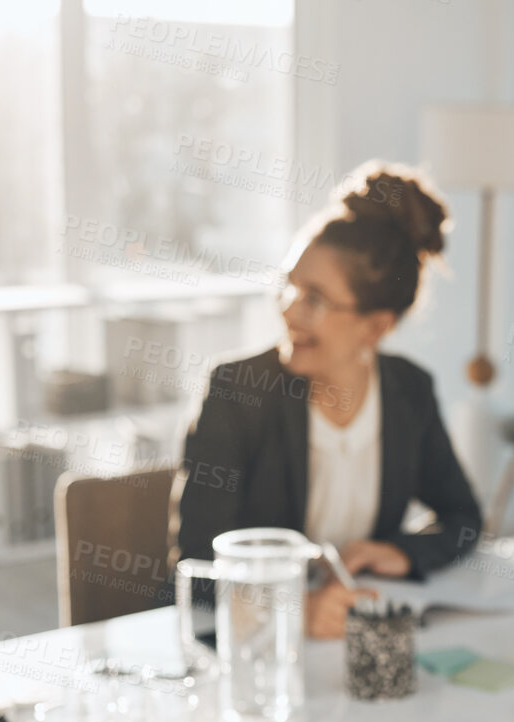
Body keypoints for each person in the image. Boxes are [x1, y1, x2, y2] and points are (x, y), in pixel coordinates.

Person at [171, 161, 484, 639]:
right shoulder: (238, 391)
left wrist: (401, 553)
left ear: (375, 326)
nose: (289, 308)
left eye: (314, 298)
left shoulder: (407, 391)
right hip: (247, 649)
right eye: (289, 284)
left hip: (350, 639)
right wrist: (293, 610)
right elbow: (198, 563)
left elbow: (463, 519)